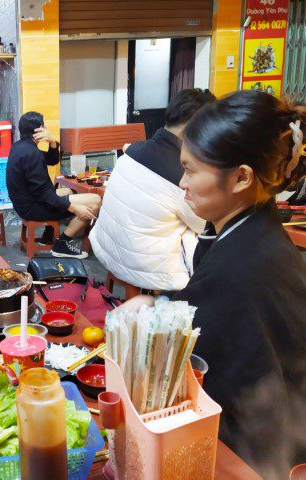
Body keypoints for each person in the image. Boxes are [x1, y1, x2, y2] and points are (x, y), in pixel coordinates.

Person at [116, 90, 306, 478]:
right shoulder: (250, 228)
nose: (182, 181)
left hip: (259, 454)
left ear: (240, 178)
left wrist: (157, 308)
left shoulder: (246, 265)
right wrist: (157, 303)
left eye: (191, 170)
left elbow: (213, 359)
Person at [90, 89, 216, 291]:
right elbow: (203, 225)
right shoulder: (179, 174)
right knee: (212, 239)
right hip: (144, 268)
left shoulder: (131, 151)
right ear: (198, 125)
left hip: (107, 250)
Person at [6, 111, 101, 259]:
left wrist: (52, 142)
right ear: (39, 130)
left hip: (26, 202)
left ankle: (48, 235)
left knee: (69, 190)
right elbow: (43, 194)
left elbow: (52, 160)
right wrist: (73, 208)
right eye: (44, 127)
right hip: (33, 207)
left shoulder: (20, 147)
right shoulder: (32, 153)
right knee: (95, 200)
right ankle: (62, 244)